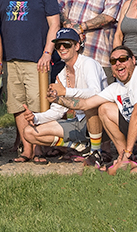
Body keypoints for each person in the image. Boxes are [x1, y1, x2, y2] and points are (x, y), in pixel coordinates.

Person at [0, 0, 63, 162]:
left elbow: (54, 25)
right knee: (18, 106)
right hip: (10, 60)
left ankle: (39, 150)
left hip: (36, 59)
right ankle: (27, 151)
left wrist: (48, 53)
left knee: (38, 106)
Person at [18, 29, 106, 161]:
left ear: (77, 46)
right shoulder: (61, 75)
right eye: (58, 46)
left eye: (66, 44)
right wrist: (35, 117)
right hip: (79, 122)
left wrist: (65, 92)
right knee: (29, 133)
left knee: (90, 105)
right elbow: (57, 111)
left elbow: (95, 93)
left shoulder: (88, 64)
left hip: (103, 122)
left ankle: (95, 152)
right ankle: (77, 147)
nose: (62, 48)